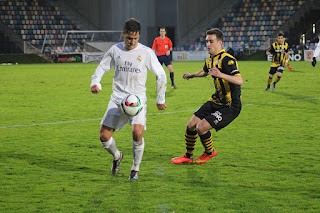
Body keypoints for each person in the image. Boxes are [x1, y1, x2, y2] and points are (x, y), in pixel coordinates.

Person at [90, 18, 167, 181]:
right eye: (129, 38)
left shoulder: (146, 52)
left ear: (139, 37)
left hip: (137, 100)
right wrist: (95, 82)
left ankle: (135, 168)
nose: (132, 42)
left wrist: (160, 99)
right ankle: (117, 156)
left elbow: (161, 74)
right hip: (117, 99)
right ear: (123, 34)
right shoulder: (115, 50)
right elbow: (102, 67)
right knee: (104, 136)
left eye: (135, 39)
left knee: (137, 133)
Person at [171, 28, 243, 165]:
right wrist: (191, 75)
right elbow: (204, 72)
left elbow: (239, 81)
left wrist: (220, 74)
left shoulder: (228, 60)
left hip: (230, 106)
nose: (208, 44)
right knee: (191, 125)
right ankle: (188, 156)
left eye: (211, 41)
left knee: (201, 127)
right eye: (206, 41)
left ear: (220, 43)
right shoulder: (210, 60)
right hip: (215, 100)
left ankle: (210, 152)